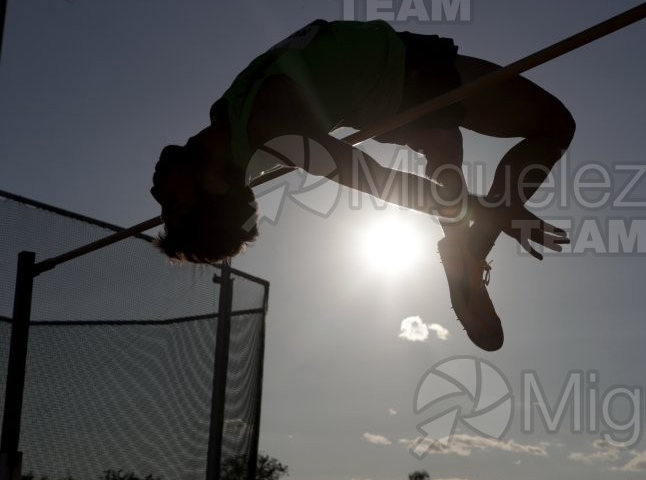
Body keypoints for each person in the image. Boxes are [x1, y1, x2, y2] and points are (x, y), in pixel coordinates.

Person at [150, 19, 575, 351]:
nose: (155, 195)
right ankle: (468, 250)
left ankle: (462, 255)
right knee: (553, 124)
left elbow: (235, 201)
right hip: (408, 73)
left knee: (444, 143)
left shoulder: (225, 121)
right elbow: (382, 183)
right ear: (213, 185)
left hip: (399, 61)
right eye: (171, 203)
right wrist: (498, 211)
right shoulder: (272, 130)